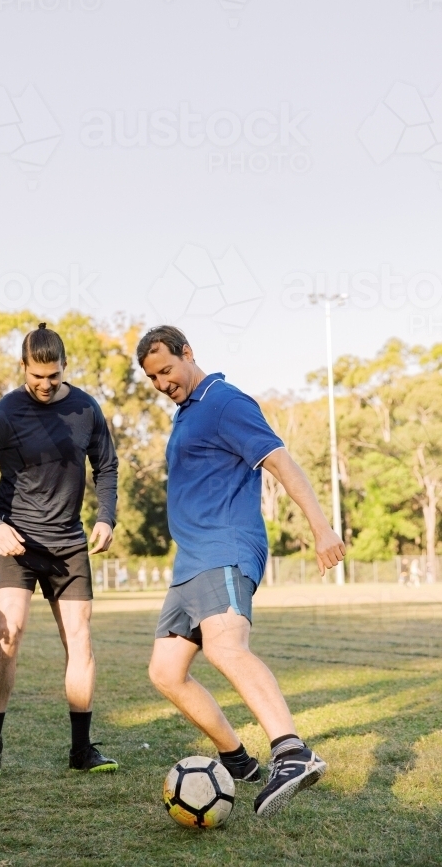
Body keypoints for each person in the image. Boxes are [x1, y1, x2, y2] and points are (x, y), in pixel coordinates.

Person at [137, 326, 345, 818]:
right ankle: (238, 761)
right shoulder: (188, 413)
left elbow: (280, 462)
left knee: (226, 646)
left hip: (225, 547)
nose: (162, 383)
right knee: (166, 672)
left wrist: (322, 528)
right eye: (152, 378)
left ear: (188, 354)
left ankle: (292, 752)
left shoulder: (225, 401)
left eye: (167, 369)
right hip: (190, 561)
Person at [0, 323, 119, 779]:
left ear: (64, 367)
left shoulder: (86, 408)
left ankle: (81, 749)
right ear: (23, 367)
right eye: (37, 376)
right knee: (7, 638)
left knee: (80, 644)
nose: (46, 385)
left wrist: (106, 516)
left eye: (54, 376)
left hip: (69, 546)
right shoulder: (3, 415)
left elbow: (106, 466)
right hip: (17, 544)